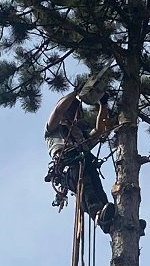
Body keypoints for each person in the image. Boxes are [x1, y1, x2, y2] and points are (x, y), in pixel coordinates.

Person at [44, 87, 116, 231]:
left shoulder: (79, 133)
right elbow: (58, 111)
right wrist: (76, 92)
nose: (75, 114)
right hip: (69, 165)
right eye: (72, 110)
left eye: (77, 111)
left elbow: (100, 130)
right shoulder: (53, 128)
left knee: (100, 193)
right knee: (87, 190)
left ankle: (116, 221)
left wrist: (103, 104)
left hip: (86, 162)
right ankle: (97, 213)